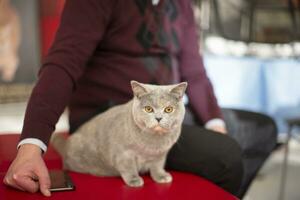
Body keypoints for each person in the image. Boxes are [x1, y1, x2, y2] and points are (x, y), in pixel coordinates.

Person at [3, 0, 243, 197]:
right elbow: (63, 64)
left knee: (259, 128)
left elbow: (195, 72)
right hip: (111, 118)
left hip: (165, 113)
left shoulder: (181, 4)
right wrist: (32, 145)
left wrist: (216, 124)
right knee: (227, 156)